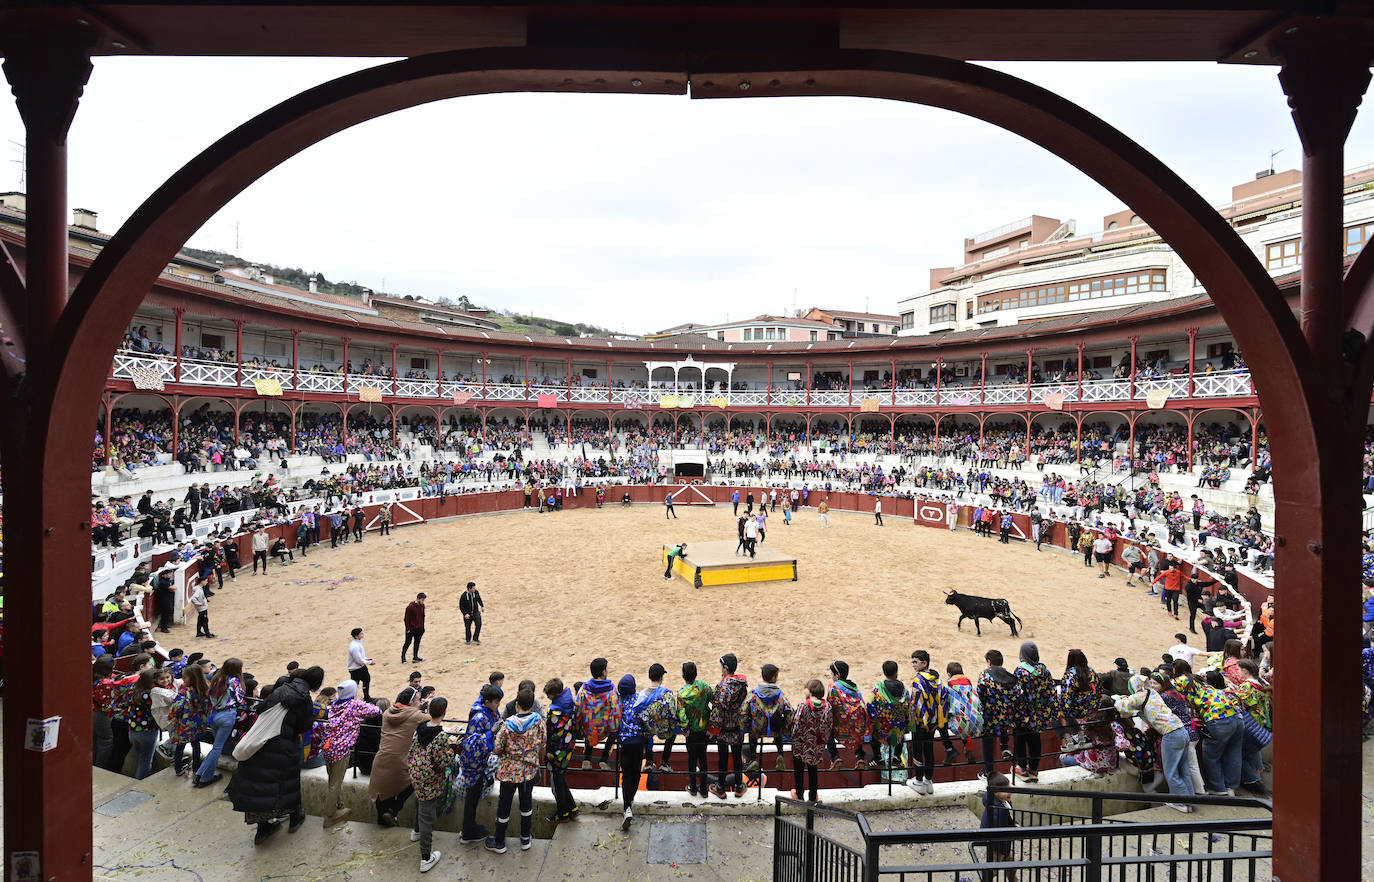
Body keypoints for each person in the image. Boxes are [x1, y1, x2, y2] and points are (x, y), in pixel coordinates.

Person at [227, 665, 323, 845]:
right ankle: (295, 817)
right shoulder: (304, 698)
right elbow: (304, 725)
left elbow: (261, 708)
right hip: (283, 745)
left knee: (260, 784)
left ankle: (263, 829)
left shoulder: (281, 690)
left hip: (262, 742)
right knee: (287, 783)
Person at [1116, 678, 1193, 811]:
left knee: (1171, 772)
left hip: (1170, 734)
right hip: (1181, 730)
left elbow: (1121, 706)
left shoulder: (1139, 696)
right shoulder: (1152, 692)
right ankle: (1190, 800)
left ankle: (1181, 804)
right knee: (1183, 769)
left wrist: (1118, 698)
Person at [488, 688, 547, 850]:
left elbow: (497, 748)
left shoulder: (507, 725)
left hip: (509, 773)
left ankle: (499, 841)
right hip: (528, 772)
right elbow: (543, 741)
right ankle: (525, 839)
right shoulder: (538, 722)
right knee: (526, 804)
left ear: (517, 705)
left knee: (504, 806)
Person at [322, 680, 382, 827]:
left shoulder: (335, 704)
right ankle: (330, 815)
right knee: (336, 783)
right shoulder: (354, 705)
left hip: (328, 747)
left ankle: (338, 806)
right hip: (341, 750)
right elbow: (377, 711)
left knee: (332, 780)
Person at [407, 696, 456, 872]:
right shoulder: (441, 735)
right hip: (430, 779)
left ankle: (416, 831)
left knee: (419, 803)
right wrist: (452, 751)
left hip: (416, 775)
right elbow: (443, 761)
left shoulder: (419, 728)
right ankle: (426, 858)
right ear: (444, 713)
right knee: (427, 816)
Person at [369, 688, 430, 826]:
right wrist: (429, 706)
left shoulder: (387, 713)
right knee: (414, 780)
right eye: (418, 699)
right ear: (412, 702)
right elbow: (433, 719)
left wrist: (417, 706)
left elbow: (406, 713)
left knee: (383, 793)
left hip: (381, 761)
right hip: (400, 763)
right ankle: (393, 811)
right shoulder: (417, 716)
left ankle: (384, 819)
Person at [457, 685, 502, 847]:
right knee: (472, 797)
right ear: (488, 701)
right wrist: (492, 733)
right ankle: (468, 830)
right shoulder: (479, 718)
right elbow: (472, 745)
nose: (498, 706)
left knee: (473, 797)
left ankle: (468, 827)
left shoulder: (485, 710)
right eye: (496, 702)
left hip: (479, 764)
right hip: (474, 765)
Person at [196, 657, 245, 787]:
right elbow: (240, 698)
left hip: (214, 714)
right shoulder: (234, 681)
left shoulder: (216, 678)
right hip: (227, 715)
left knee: (215, 748)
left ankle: (200, 773)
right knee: (217, 748)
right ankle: (205, 778)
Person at [708, 653, 749, 798]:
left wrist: (713, 729)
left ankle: (720, 787)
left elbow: (718, 710)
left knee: (723, 758)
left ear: (725, 668)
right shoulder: (742, 684)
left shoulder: (722, 686)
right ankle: (739, 786)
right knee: (737, 757)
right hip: (737, 727)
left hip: (724, 729)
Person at [1012, 642, 1054, 783]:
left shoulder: (1020, 671)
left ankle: (1022, 768)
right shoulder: (1045, 671)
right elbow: (1050, 692)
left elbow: (1016, 693)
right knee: (1035, 739)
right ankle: (1034, 769)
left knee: (1020, 739)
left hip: (1023, 715)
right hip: (1040, 714)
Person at [907, 650, 947, 794]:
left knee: (917, 750)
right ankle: (928, 781)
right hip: (934, 723)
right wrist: (936, 721)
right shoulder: (938, 679)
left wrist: (922, 721)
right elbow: (943, 699)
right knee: (929, 750)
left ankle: (918, 781)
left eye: (915, 662)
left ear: (924, 663)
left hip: (921, 723)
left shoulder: (918, 680)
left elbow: (917, 703)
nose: (913, 665)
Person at [977, 649, 1021, 780]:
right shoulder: (1011, 677)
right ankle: (1004, 747)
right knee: (1003, 726)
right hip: (1006, 716)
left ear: (989, 662)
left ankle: (988, 772)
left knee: (987, 741)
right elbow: (1017, 694)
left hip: (989, 716)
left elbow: (980, 694)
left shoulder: (985, 675)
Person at [743, 663, 792, 774]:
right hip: (775, 729)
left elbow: (743, 710)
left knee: (752, 736)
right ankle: (780, 755)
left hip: (757, 728)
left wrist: (745, 726)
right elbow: (789, 712)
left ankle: (754, 759)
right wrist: (785, 727)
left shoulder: (754, 694)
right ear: (774, 678)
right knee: (779, 733)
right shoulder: (780, 695)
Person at [543, 678, 579, 822]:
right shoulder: (571, 701)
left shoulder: (554, 711)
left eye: (549, 696)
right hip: (569, 746)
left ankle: (563, 813)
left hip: (557, 750)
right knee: (560, 777)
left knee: (558, 780)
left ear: (555, 695)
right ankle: (573, 809)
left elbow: (550, 733)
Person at [167, 663, 211, 778]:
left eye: (185, 677)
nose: (183, 679)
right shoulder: (206, 689)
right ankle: (196, 769)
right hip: (199, 724)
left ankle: (178, 769)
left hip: (184, 725)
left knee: (180, 746)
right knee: (196, 745)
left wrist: (171, 715)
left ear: (191, 678)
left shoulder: (184, 692)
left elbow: (175, 709)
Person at [789, 679, 830, 803]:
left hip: (801, 744)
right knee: (813, 770)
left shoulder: (803, 706)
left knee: (799, 769)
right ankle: (812, 796)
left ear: (810, 691)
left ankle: (799, 794)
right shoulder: (827, 707)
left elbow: (796, 725)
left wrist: (794, 737)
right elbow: (828, 727)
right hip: (816, 745)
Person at [575, 658, 620, 770]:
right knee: (614, 732)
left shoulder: (584, 689)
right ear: (604, 672)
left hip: (589, 729)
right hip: (604, 729)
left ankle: (587, 759)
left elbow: (578, 707)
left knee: (589, 723)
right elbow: (616, 710)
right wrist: (614, 728)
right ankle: (604, 759)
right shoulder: (611, 690)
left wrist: (578, 725)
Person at [677, 661, 714, 797]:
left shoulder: (681, 694)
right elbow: (715, 699)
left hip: (691, 733)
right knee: (703, 758)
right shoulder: (704, 687)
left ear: (683, 675)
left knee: (692, 759)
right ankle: (704, 789)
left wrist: (685, 728)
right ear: (696, 673)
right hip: (704, 730)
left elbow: (681, 714)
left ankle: (693, 787)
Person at [827, 660, 870, 769]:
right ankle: (859, 756)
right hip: (856, 727)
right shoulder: (855, 688)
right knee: (857, 727)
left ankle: (834, 756)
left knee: (827, 728)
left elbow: (830, 706)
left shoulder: (833, 687)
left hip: (841, 728)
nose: (831, 676)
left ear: (837, 675)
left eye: (832, 674)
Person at [980, 772, 1017, 872]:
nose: (1009, 791)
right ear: (995, 793)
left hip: (1004, 844)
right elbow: (999, 829)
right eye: (1005, 790)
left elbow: (1010, 816)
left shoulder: (1005, 801)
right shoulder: (997, 810)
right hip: (997, 846)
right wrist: (1014, 830)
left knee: (1011, 868)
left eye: (1009, 787)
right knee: (992, 871)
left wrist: (1014, 823)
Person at [347, 627, 374, 702]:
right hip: (355, 669)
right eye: (361, 633)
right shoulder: (354, 646)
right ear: (356, 636)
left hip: (361, 667)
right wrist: (369, 662)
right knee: (354, 685)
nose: (363, 634)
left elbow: (361, 656)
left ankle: (367, 697)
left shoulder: (358, 642)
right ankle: (351, 700)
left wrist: (367, 660)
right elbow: (358, 660)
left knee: (367, 679)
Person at [403, 592, 427, 663]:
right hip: (411, 629)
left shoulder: (422, 606)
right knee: (407, 643)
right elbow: (406, 619)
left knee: (417, 643)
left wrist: (422, 627)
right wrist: (408, 629)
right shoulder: (410, 607)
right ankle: (403, 657)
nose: (423, 602)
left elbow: (423, 616)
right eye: (422, 600)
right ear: (418, 599)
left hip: (419, 628)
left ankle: (415, 657)